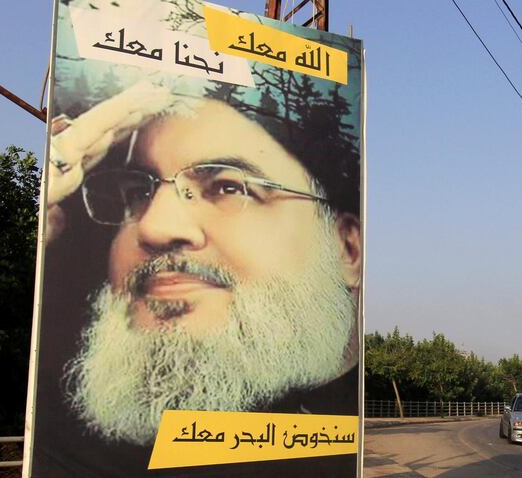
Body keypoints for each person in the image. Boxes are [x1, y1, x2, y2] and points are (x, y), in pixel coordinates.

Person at [33, 82, 362, 477]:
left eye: (228, 186)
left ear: (347, 248)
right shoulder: (66, 448)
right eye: (138, 192)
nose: (154, 226)